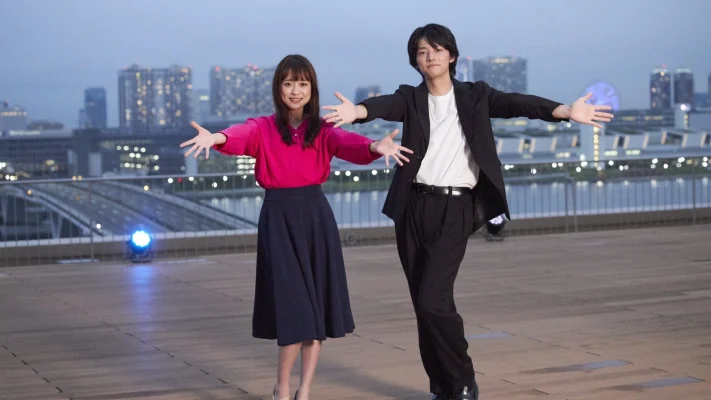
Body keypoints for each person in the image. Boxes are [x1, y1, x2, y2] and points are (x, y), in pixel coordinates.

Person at [323, 23, 614, 400]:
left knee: (432, 300)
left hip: (456, 206)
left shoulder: (476, 95)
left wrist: (564, 111)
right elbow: (382, 105)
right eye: (422, 52)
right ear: (415, 61)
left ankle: (463, 382)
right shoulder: (410, 98)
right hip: (413, 206)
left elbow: (517, 103)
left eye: (436, 50)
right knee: (425, 306)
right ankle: (442, 388)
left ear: (452, 56)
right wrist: (357, 111)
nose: (430, 57)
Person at [180, 54, 412, 400]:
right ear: (278, 88)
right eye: (288, 83)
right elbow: (238, 136)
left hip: (315, 218)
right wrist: (216, 138)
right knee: (295, 310)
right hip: (278, 219)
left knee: (315, 312)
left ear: (311, 89)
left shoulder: (323, 129)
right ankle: (283, 388)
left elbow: (349, 144)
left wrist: (375, 146)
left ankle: (303, 391)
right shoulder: (263, 127)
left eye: (302, 84)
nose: (295, 90)